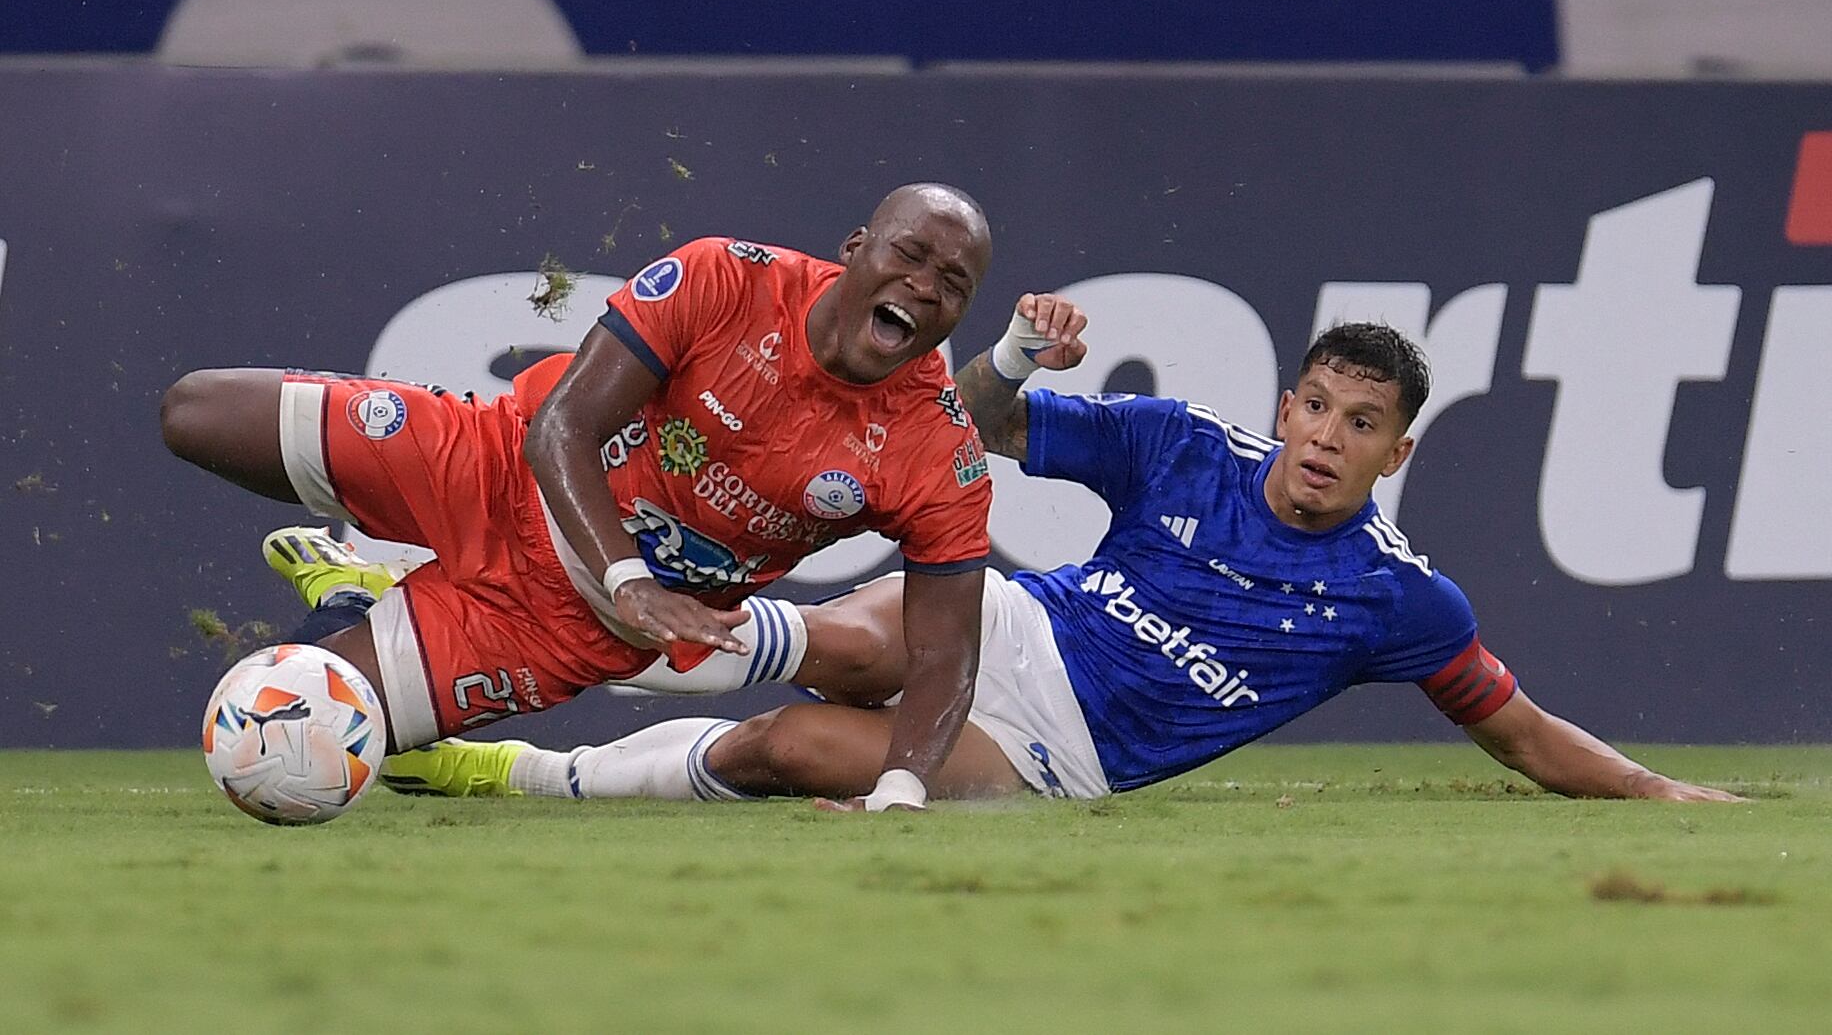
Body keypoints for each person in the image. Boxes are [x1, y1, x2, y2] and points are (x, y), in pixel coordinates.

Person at [298, 297, 1742, 807]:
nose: (1319, 438)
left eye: (1358, 424)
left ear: (1395, 452)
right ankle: (455, 607)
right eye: (1311, 404)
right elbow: (968, 431)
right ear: (1285, 401)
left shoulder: (1401, 600)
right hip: (1017, 627)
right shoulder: (1183, 446)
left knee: (793, 750)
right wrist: (1009, 357)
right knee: (863, 631)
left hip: (1071, 761)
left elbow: (1525, 732)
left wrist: (1667, 789)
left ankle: (522, 772)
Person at [162, 182, 1001, 812]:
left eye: (953, 282)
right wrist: (630, 576)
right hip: (491, 463)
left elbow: (942, 656)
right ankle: (363, 587)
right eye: (909, 255)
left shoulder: (938, 450)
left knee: (292, 732)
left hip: (559, 629)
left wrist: (900, 793)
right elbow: (560, 427)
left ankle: (352, 599)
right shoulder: (726, 280)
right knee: (195, 412)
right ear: (857, 247)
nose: (926, 285)